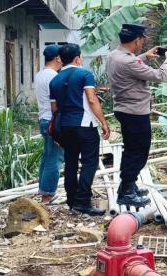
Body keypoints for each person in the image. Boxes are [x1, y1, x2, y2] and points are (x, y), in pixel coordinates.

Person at [106, 23, 167, 207]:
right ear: (137, 40)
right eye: (142, 39)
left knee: (131, 150)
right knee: (138, 152)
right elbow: (159, 75)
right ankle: (127, 192)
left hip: (124, 110)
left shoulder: (114, 56)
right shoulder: (129, 61)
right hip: (135, 112)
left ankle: (128, 187)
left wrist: (145, 56)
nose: (143, 42)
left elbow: (131, 65)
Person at [50, 43, 110, 216]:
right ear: (77, 58)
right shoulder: (84, 74)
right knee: (89, 162)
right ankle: (83, 201)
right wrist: (104, 123)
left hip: (65, 126)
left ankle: (71, 200)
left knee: (70, 162)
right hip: (84, 125)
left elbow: (54, 109)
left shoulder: (55, 80)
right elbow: (92, 100)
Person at [35, 45, 63, 203]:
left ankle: (44, 190)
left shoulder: (40, 75)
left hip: (43, 119)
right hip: (53, 120)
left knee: (47, 156)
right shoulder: (54, 77)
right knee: (55, 158)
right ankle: (48, 195)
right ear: (58, 58)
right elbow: (57, 104)